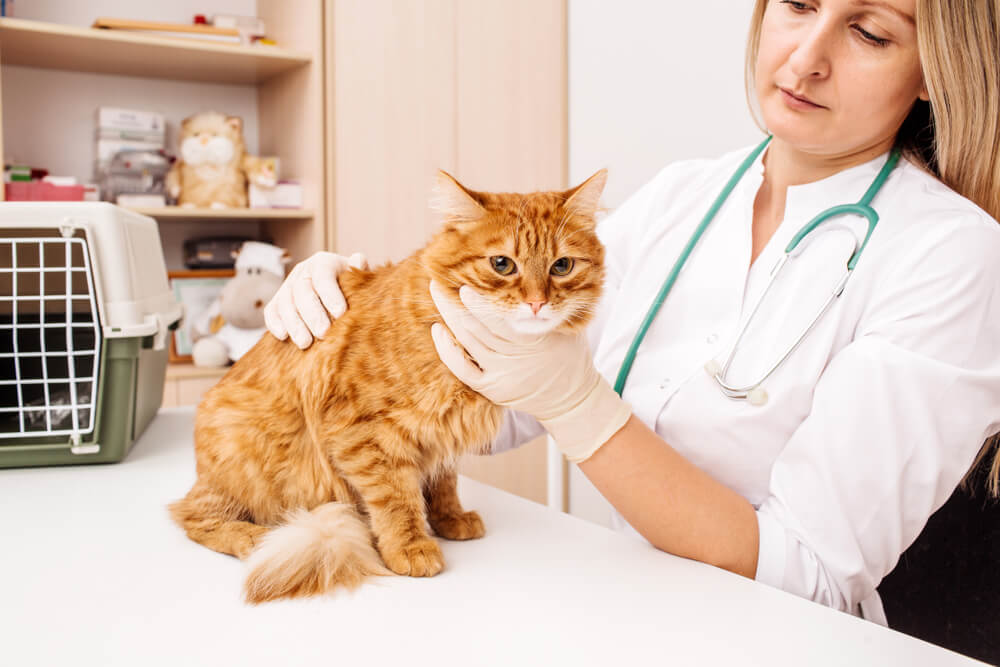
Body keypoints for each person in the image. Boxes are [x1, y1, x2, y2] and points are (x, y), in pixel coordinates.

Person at [263, 0, 1000, 625]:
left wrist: (580, 406)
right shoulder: (683, 195)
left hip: (775, 640)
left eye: (870, 33)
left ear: (935, 70)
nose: (806, 58)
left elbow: (810, 574)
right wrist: (365, 307)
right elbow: (503, 398)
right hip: (620, 607)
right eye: (799, 2)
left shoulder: (953, 254)